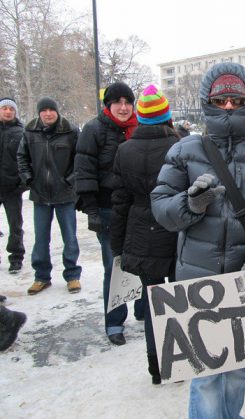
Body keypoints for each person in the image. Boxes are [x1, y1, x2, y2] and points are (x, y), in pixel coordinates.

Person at [151, 62, 245, 419]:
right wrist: (190, 204)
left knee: (236, 370)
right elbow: (160, 207)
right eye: (220, 99)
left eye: (236, 98)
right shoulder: (185, 150)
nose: (229, 106)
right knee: (205, 376)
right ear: (208, 101)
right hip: (197, 282)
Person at [110, 84, 179, 384]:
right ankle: (181, 362)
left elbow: (119, 200)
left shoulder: (124, 150)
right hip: (176, 230)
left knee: (152, 303)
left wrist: (118, 243)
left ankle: (156, 366)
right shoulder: (180, 145)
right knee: (179, 301)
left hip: (140, 232)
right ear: (166, 115)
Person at [74, 81, 139, 346]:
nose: (123, 107)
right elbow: (84, 168)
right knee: (114, 266)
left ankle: (145, 311)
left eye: (127, 102)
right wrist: (91, 208)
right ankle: (114, 321)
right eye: (117, 102)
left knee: (143, 261)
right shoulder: (94, 129)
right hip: (107, 206)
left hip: (137, 207)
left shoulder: (139, 127)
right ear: (108, 105)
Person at [17, 97, 81, 295]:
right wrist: (28, 179)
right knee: (41, 238)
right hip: (40, 195)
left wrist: (69, 180)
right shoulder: (30, 131)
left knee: (70, 237)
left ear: (57, 111)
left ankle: (72, 275)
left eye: (51, 110)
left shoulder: (70, 131)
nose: (47, 114)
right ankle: (41, 276)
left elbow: (80, 158)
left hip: (65, 194)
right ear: (39, 113)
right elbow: (22, 157)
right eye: (43, 110)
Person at [0, 97, 26, 274]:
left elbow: (26, 159)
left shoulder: (21, 132)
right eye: (4, 108)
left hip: (12, 187)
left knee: (15, 225)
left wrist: (22, 183)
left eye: (11, 109)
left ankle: (16, 256)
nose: (8, 111)